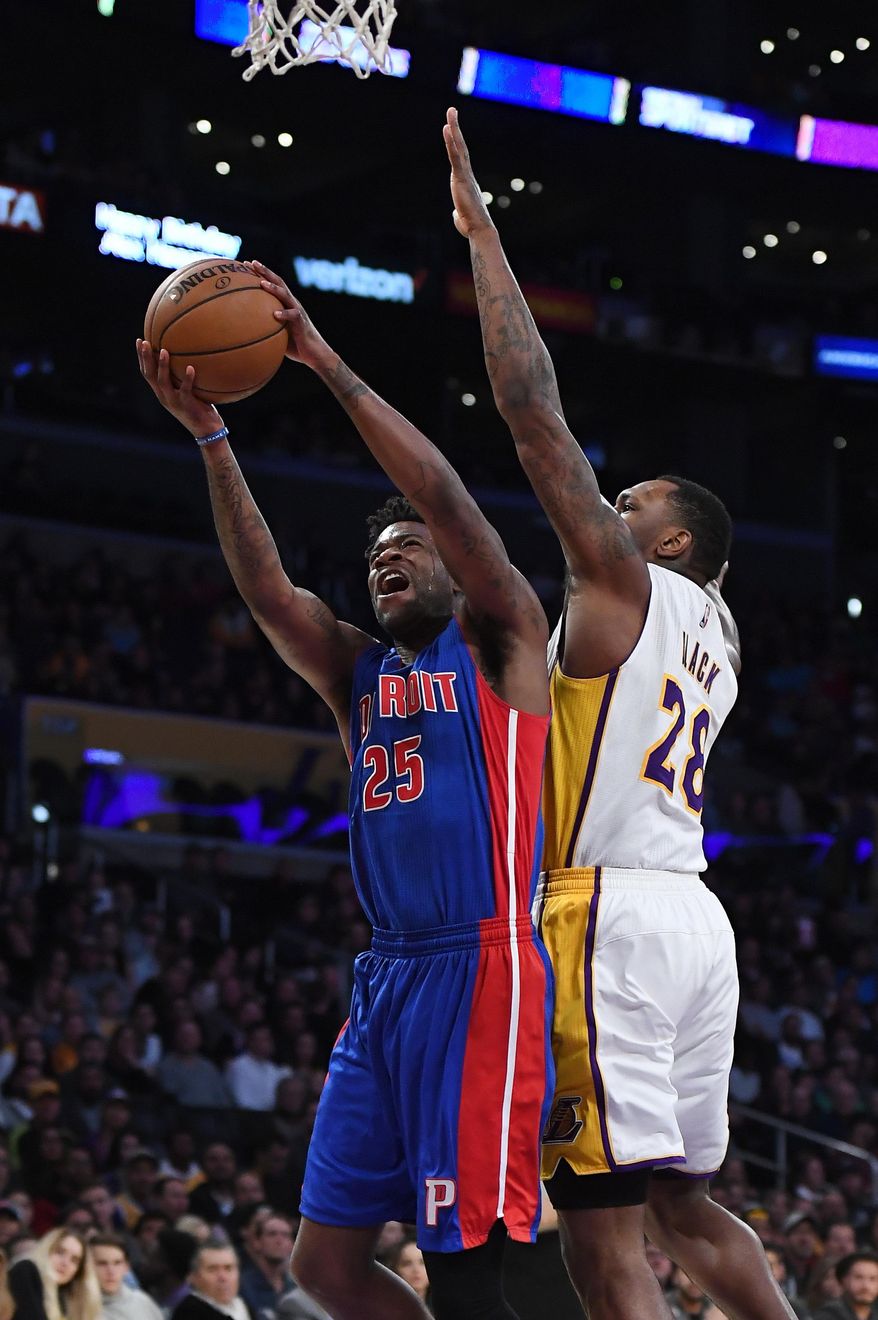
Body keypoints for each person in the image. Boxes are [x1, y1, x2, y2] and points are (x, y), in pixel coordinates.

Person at [137, 250, 553, 1320]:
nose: (387, 557)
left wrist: (319, 359)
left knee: (464, 1263)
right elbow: (270, 589)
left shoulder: (504, 639)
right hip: (386, 982)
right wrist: (212, 439)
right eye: (374, 553)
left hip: (483, 964)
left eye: (409, 546)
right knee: (319, 1270)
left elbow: (447, 496)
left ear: (463, 569)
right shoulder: (356, 673)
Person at [443, 105, 794, 1320]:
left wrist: (479, 230)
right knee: (689, 1209)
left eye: (632, 498)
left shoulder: (623, 584)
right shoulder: (724, 632)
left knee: (600, 1246)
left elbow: (530, 410)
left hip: (604, 919)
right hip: (697, 922)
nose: (614, 502)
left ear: (672, 540)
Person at [8, 1228, 101, 1320]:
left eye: (74, 1260)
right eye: (60, 1252)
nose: (65, 1263)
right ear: (46, 1249)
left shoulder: (66, 1297)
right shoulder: (25, 1270)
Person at [91, 1233, 163, 1320]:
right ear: (88, 1267)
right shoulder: (78, 1308)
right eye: (102, 1263)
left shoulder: (143, 1302)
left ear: (126, 1267)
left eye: (117, 1263)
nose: (111, 1271)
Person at [170, 1243, 248, 1320]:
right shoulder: (188, 1313)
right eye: (212, 1269)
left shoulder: (242, 1305)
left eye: (228, 1268)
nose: (223, 1277)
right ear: (194, 1277)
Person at [239, 1216, 294, 1320]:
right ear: (257, 1242)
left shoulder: (296, 1287)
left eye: (285, 1235)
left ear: (292, 1245)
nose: (279, 1240)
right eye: (272, 1234)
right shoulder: (242, 1285)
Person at [813, 1252, 878, 1319]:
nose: (866, 1286)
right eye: (858, 1277)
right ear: (843, 1281)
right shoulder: (828, 1315)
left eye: (873, 1279)